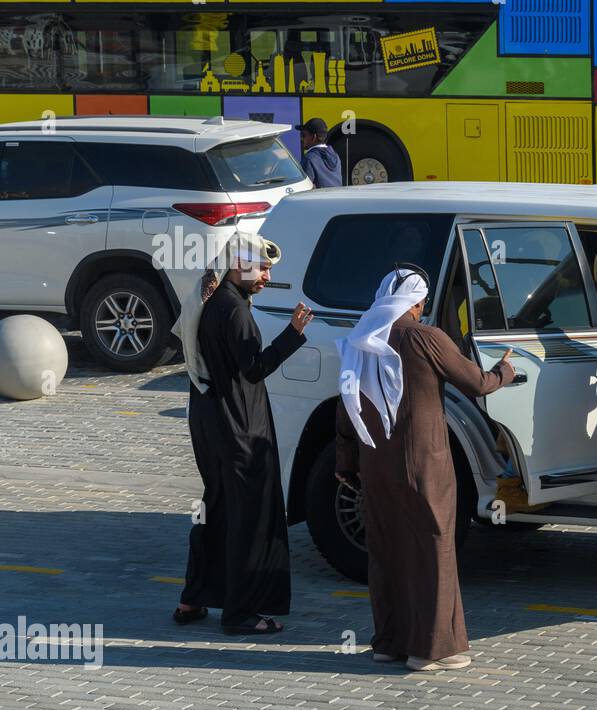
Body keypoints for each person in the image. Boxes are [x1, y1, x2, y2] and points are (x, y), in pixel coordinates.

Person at [334, 265, 515, 672]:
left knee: (386, 551)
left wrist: (346, 461)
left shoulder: (360, 337)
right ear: (418, 301)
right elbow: (477, 383)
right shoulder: (423, 337)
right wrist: (506, 369)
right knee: (432, 549)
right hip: (423, 463)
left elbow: (346, 404)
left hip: (375, 462)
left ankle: (390, 643)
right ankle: (431, 650)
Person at [172, 232, 314, 633]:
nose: (268, 275)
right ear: (239, 265)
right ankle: (242, 613)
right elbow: (254, 369)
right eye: (263, 268)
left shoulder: (211, 301)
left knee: (216, 508)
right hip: (239, 428)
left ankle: (192, 599)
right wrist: (293, 333)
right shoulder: (234, 311)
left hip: (209, 421)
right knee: (251, 517)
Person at [297, 117, 342, 188]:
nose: (301, 139)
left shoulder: (309, 159)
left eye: (303, 135)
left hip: (319, 198)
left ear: (314, 137)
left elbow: (304, 188)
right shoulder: (336, 156)